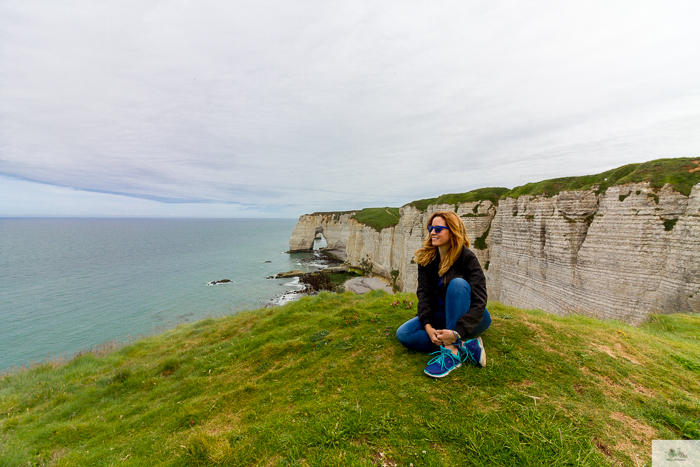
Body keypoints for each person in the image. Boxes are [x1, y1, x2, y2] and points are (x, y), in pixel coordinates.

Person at [396, 210, 491, 378]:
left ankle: (452, 352)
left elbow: (480, 300)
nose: (432, 232)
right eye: (431, 228)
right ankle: (467, 346)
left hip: (473, 317)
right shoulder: (426, 260)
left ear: (452, 231)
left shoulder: (467, 258)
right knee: (404, 334)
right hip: (441, 315)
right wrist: (428, 326)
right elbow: (424, 295)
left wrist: (456, 331)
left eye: (438, 229)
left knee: (458, 284)